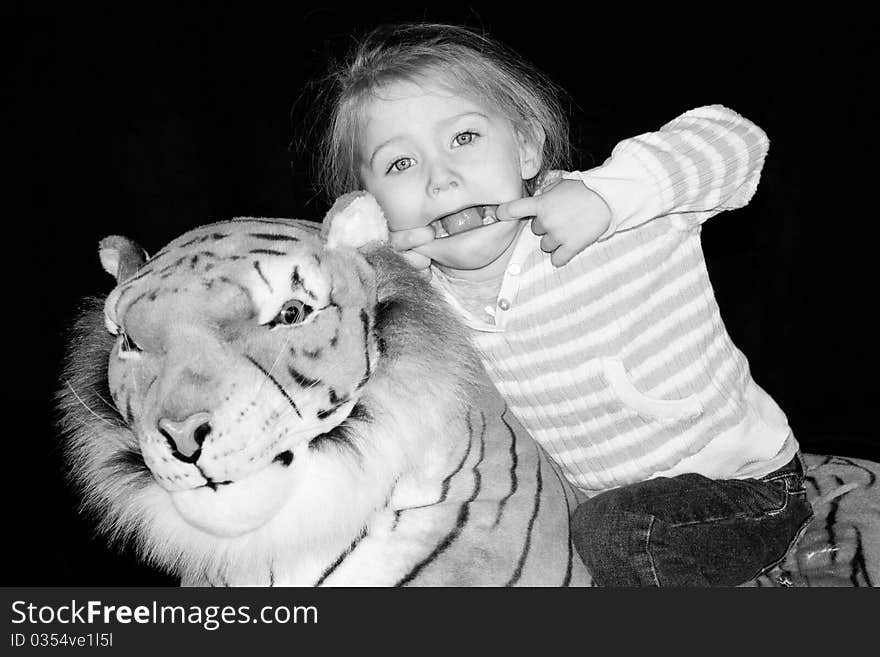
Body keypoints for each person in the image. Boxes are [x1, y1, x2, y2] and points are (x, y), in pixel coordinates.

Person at [312, 22, 813, 586]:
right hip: (599, 502)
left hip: (746, 487)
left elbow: (736, 140)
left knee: (612, 535)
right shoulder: (431, 305)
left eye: (464, 138)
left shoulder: (606, 214)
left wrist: (611, 195)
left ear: (525, 149)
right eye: (400, 165)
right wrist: (386, 282)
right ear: (376, 208)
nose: (442, 179)